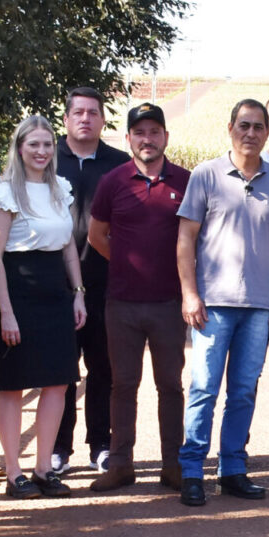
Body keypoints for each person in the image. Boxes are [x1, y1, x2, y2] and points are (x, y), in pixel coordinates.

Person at [174, 99, 269, 507]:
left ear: (266, 133)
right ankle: (192, 471)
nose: (251, 132)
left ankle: (233, 470)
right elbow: (186, 239)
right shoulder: (205, 175)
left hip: (259, 305)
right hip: (213, 305)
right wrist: (190, 293)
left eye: (258, 126)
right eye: (244, 125)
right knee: (204, 389)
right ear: (230, 128)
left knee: (243, 390)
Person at [87, 102, 191, 492]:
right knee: (122, 384)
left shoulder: (186, 180)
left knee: (171, 386)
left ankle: (173, 464)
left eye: (154, 132)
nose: (147, 139)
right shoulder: (113, 181)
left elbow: (196, 236)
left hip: (169, 304)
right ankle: (120, 464)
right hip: (123, 304)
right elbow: (97, 236)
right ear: (128, 138)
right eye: (139, 133)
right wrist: (128, 263)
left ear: (165, 136)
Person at [0, 116, 87, 497]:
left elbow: (68, 247)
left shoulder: (61, 189)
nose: (42, 152)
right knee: (12, 386)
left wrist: (78, 292)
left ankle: (44, 469)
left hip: (55, 294)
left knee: (58, 382)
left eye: (47, 145)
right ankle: (14, 473)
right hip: (16, 292)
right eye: (34, 145)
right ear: (20, 148)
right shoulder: (4, 194)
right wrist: (7, 311)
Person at [55, 87, 128, 475]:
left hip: (106, 284)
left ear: (102, 120)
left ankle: (100, 444)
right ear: (66, 119)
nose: (85, 118)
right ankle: (57, 448)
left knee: (104, 370)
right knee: (62, 370)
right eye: (78, 112)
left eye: (93, 113)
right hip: (56, 287)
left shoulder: (119, 166)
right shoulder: (44, 159)